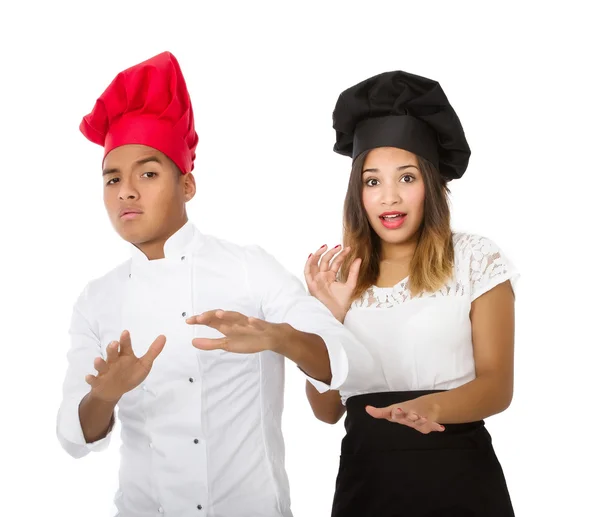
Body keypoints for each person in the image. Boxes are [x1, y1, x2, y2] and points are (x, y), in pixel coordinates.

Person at [56, 51, 373, 517]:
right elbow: (72, 436)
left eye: (147, 173)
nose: (126, 191)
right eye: (112, 178)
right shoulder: (96, 299)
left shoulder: (249, 268)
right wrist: (106, 393)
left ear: (187, 185)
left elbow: (349, 360)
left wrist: (278, 337)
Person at [304, 71, 519, 516]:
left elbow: (498, 385)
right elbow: (326, 411)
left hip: (459, 478)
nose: (388, 198)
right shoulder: (339, 276)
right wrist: (327, 319)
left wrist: (429, 407)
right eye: (372, 181)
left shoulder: (476, 259)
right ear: (357, 192)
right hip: (366, 484)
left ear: (431, 184)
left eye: (406, 178)